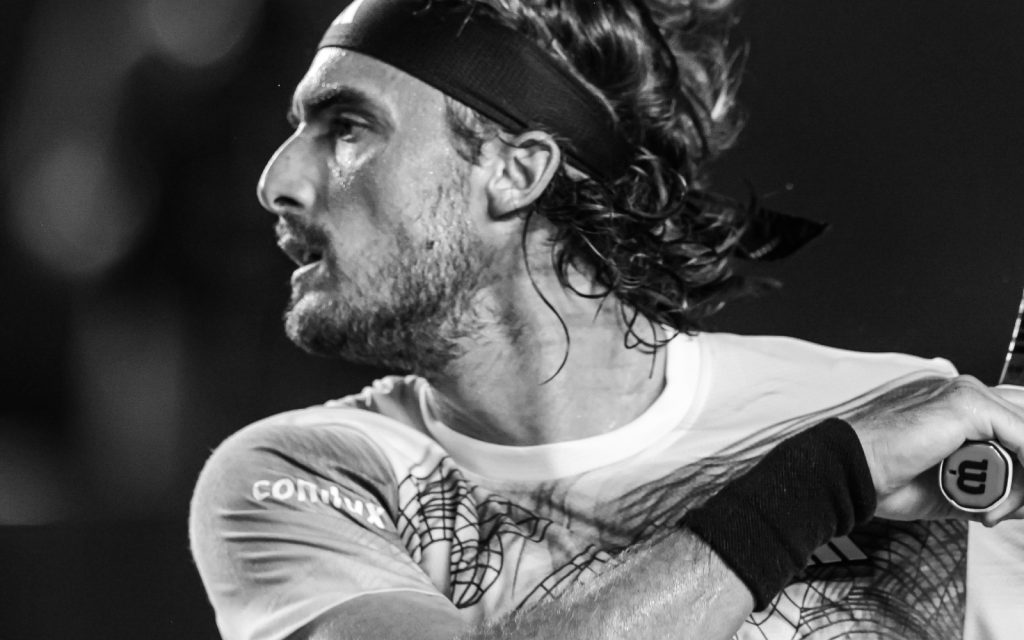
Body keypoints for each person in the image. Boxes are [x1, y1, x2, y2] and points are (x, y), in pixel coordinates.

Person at [189, 0, 1024, 638]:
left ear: (515, 172)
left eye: (347, 128)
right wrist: (821, 483)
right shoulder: (313, 477)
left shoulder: (927, 429)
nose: (276, 181)